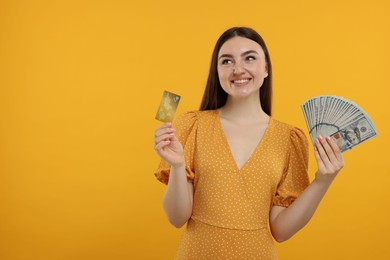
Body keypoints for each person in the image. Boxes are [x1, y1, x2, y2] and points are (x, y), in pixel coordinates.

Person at [153, 27, 344, 259]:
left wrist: (322, 181)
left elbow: (282, 231)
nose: (237, 69)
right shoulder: (192, 125)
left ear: (265, 69)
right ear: (217, 71)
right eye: (226, 61)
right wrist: (177, 166)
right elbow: (176, 218)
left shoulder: (289, 138)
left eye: (249, 58)